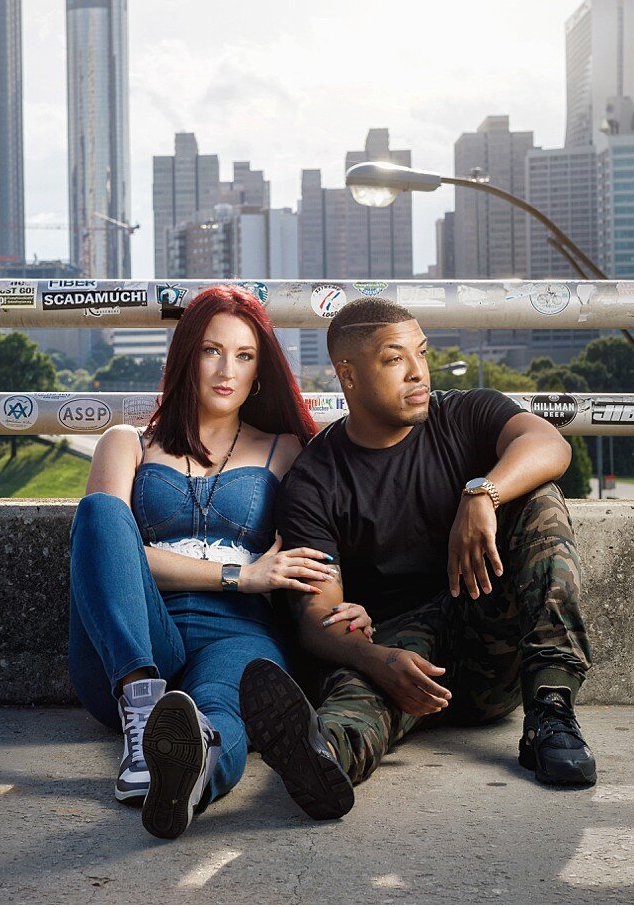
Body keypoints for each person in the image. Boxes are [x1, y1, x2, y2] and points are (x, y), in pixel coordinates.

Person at [240, 296, 597, 820]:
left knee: (540, 501)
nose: (417, 373)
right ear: (349, 374)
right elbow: (319, 619)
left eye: (422, 353)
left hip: (489, 637)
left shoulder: (464, 414)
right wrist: (375, 658)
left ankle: (551, 711)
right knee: (356, 685)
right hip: (402, 654)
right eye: (394, 359)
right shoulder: (314, 481)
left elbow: (549, 445)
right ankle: (322, 756)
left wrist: (483, 494)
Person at [67, 284, 374, 839]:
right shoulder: (127, 443)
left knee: (220, 715)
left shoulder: (286, 449)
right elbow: (109, 554)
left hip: (238, 635)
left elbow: (313, 551)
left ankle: (191, 777)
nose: (226, 370)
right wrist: (242, 574)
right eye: (211, 350)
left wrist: (348, 606)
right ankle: (142, 717)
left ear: (260, 370)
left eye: (245, 355)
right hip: (135, 640)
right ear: (187, 356)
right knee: (101, 514)